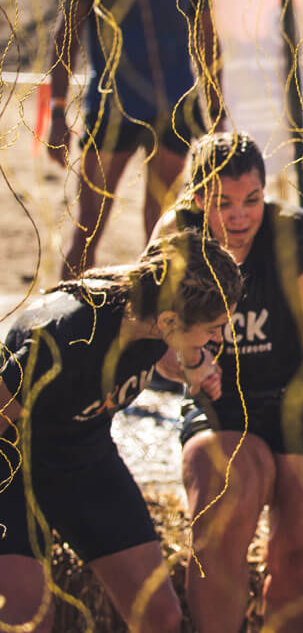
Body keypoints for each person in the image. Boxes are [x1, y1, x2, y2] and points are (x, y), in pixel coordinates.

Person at [151, 131, 303, 632]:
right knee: (225, 506)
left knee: (300, 558)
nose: (239, 216)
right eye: (222, 203)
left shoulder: (297, 238)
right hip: (222, 400)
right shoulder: (175, 238)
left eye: (251, 200)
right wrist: (189, 364)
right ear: (197, 196)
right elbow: (150, 345)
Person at [0, 230, 242, 632]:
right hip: (12, 470)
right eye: (215, 327)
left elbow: (165, 353)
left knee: (161, 618)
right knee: (30, 624)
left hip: (83, 460)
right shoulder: (66, 338)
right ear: (168, 320)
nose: (220, 337)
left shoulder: (151, 311)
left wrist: (195, 362)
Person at [47, 0, 222, 279]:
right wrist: (57, 111)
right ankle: (62, 325)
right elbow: (67, 33)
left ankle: (154, 328)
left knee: (161, 234)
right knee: (87, 231)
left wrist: (218, 110)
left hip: (174, 108)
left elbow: (206, 36)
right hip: (112, 106)